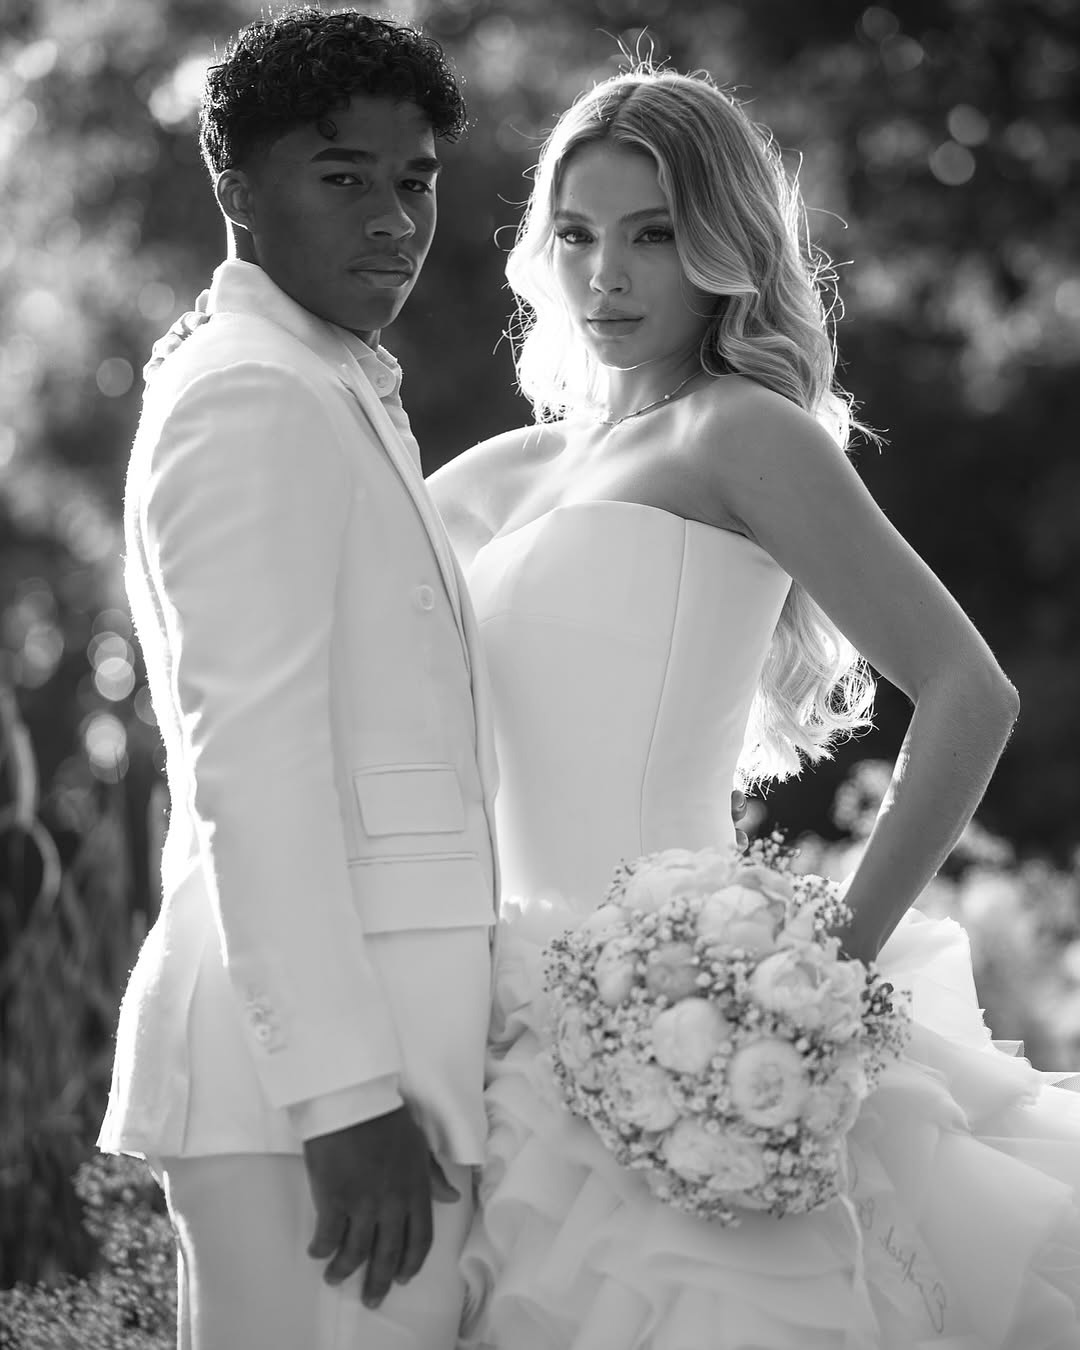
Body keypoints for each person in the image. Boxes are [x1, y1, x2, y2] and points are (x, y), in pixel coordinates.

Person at [423, 68, 1080, 1348]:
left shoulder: (741, 432)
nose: (607, 274)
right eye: (578, 234)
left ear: (722, 249)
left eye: (652, 234)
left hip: (689, 1012)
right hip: (495, 1022)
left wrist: (819, 975)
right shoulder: (514, 467)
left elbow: (970, 692)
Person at [97, 11, 501, 1349]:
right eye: (343, 176)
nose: (393, 217)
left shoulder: (322, 377)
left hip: (380, 1064)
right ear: (236, 189)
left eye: (415, 179)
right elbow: (252, 767)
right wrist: (343, 1097)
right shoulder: (252, 393)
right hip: (312, 1096)